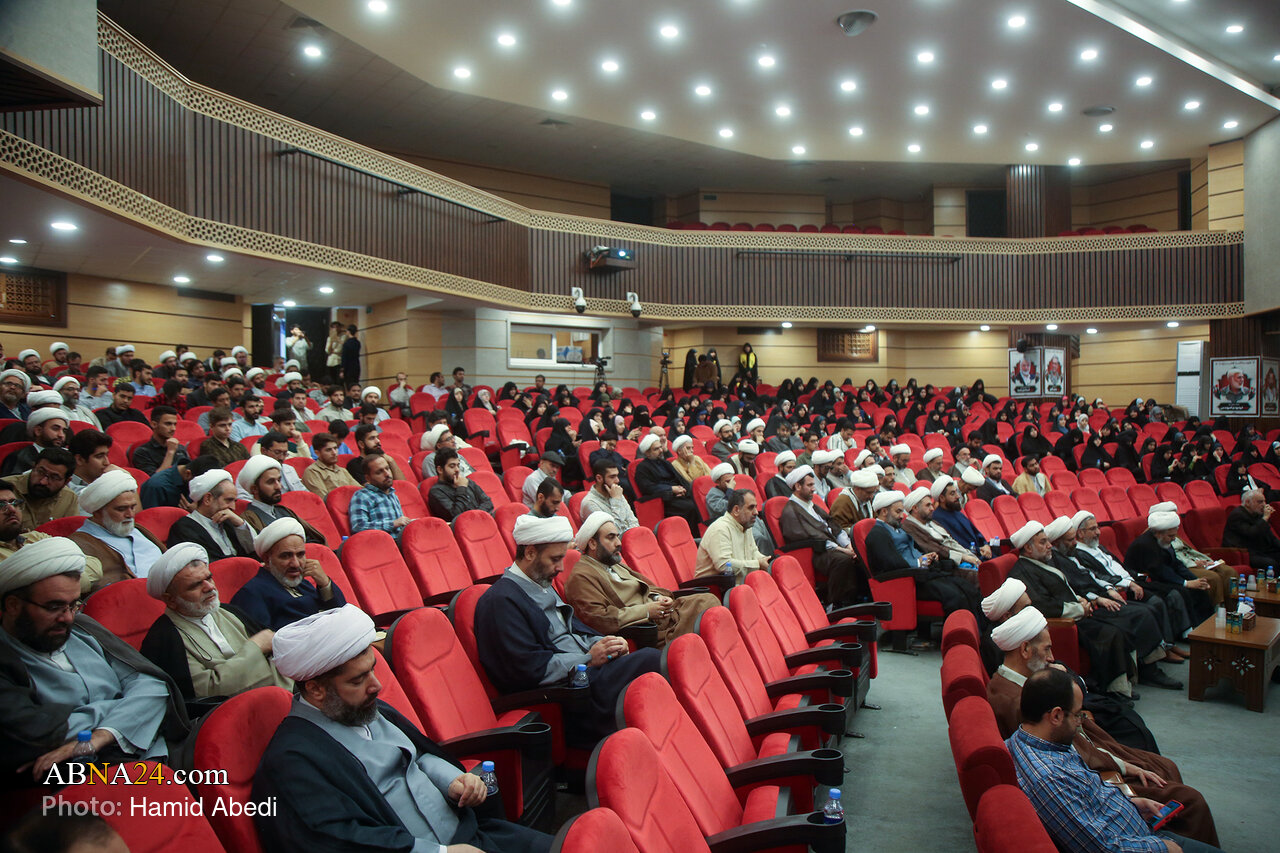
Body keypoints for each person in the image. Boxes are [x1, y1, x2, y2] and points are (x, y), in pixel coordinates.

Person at [253, 604, 553, 853]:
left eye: (372, 670)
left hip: (470, 833)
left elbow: (418, 755)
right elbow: (338, 839)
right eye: (357, 680)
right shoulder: (292, 761)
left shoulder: (365, 708)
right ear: (316, 689)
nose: (376, 686)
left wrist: (452, 780)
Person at [0, 537, 189, 784]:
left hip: (158, 747)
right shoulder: (6, 658)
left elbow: (153, 685)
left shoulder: (82, 628)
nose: (67, 618)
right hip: (94, 775)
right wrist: (127, 707)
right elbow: (37, 732)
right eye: (54, 607)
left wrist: (99, 736)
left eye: (73, 605)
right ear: (13, 605)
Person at [474, 515, 661, 748]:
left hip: (589, 676)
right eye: (555, 559)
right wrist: (589, 658)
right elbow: (528, 670)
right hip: (570, 696)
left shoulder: (541, 583)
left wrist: (607, 642)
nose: (561, 568)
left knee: (657, 664)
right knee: (653, 661)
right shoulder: (500, 602)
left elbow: (573, 631)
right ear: (530, 553)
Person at [1008, 667, 1224, 853]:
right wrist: (1164, 848)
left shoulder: (1025, 740)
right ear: (1056, 716)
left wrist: (1132, 804)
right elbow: (1101, 849)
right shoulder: (1049, 779)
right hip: (1140, 843)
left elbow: (1088, 795)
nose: (1080, 722)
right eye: (1077, 715)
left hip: (1131, 827)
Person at [139, 543, 291, 702]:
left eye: (208, 578)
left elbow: (277, 655)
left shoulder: (228, 611)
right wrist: (256, 648)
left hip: (281, 694)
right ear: (170, 600)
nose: (209, 587)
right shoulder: (165, 639)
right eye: (195, 585)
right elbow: (209, 691)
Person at [1045, 516, 1185, 689]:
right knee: (1142, 614)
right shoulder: (1056, 561)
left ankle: (1148, 665)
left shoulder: (1070, 554)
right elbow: (1075, 588)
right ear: (1057, 542)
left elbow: (1092, 575)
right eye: (1070, 540)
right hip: (1090, 605)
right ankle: (1149, 670)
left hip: (1102, 595)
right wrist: (1097, 598)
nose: (1075, 543)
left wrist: (1109, 588)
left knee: (1146, 610)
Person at [1007, 521, 1136, 698]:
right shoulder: (1022, 571)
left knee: (1120, 624)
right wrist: (1078, 609)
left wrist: (1081, 599)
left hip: (1078, 613)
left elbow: (1065, 588)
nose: (1049, 545)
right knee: (1111, 633)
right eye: (1043, 542)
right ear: (1028, 548)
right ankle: (1114, 689)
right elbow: (1043, 605)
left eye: (1048, 541)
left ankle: (1123, 683)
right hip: (1065, 622)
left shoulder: (1042, 562)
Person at [568, 512, 718, 647]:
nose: (618, 543)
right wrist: (646, 611)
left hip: (665, 614)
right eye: (611, 537)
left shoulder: (612, 563)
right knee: (709, 616)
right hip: (650, 630)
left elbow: (647, 587)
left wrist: (658, 597)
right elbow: (598, 618)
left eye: (617, 537)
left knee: (708, 601)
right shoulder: (581, 576)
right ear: (593, 543)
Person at [863, 491, 982, 617]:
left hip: (922, 575)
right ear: (884, 512)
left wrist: (928, 557)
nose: (902, 516)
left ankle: (978, 626)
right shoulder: (878, 534)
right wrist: (918, 562)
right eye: (898, 512)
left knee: (967, 588)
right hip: (907, 582)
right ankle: (959, 627)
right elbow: (891, 563)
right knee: (956, 595)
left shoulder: (897, 529)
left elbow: (915, 550)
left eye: (902, 512)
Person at [230, 517, 346, 631]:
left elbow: (342, 613)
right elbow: (264, 639)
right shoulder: (252, 594)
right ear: (267, 559)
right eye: (286, 556)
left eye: (300, 555)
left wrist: (325, 583)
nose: (296, 564)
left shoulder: (302, 583)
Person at [69, 470, 165, 590]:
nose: (130, 515)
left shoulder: (138, 530)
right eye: (121, 509)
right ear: (98, 511)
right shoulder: (80, 544)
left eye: (133, 507)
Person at [779, 465, 859, 605]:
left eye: (813, 485)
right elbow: (808, 538)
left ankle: (859, 599)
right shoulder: (790, 511)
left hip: (830, 547)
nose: (813, 489)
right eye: (809, 485)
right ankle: (836, 604)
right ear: (797, 486)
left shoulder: (811, 505)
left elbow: (833, 525)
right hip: (815, 552)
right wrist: (841, 549)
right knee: (843, 560)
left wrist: (848, 545)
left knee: (859, 555)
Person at [1124, 510, 1218, 627]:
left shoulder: (1163, 541)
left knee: (1199, 589)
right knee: (1182, 592)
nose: (1174, 539)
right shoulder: (1145, 544)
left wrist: (1195, 580)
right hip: (1144, 582)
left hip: (1160, 578)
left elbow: (1176, 563)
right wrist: (1186, 583)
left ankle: (1207, 626)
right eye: (1171, 536)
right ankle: (1191, 629)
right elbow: (1160, 570)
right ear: (1158, 533)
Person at [1144, 502, 1239, 606]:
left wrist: (1205, 561)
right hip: (1183, 566)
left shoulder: (1173, 532)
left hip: (1192, 561)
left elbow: (1188, 550)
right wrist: (1193, 563)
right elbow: (1170, 559)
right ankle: (1216, 610)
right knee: (1212, 578)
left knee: (1229, 572)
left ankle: (1232, 608)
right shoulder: (1153, 536)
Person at [166, 468, 255, 558]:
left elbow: (255, 552)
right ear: (208, 499)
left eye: (234, 501)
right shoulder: (184, 529)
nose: (233, 507)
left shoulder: (229, 522)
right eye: (228, 500)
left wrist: (240, 524)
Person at [900, 486, 982, 582]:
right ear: (915, 508)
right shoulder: (909, 527)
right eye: (928, 505)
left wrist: (968, 554)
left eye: (931, 505)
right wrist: (963, 557)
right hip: (946, 566)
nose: (932, 508)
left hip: (961, 557)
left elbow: (951, 541)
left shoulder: (931, 522)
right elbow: (933, 548)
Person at [236, 456, 326, 543]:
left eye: (279, 480)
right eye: (271, 482)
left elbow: (310, 538)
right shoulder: (250, 519)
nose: (279, 486)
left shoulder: (284, 511)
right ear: (254, 489)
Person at [695, 488, 771, 581]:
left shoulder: (745, 525)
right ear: (736, 510)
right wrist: (757, 564)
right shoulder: (720, 529)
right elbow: (724, 565)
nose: (756, 512)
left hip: (739, 584)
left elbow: (753, 552)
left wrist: (766, 560)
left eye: (756, 507)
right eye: (751, 507)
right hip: (715, 587)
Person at [633, 434, 702, 532]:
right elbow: (648, 488)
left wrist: (683, 489)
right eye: (656, 449)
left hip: (678, 495)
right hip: (663, 500)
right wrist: (671, 490)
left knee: (699, 503)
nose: (661, 450)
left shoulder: (665, 463)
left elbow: (680, 479)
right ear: (647, 453)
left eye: (660, 447)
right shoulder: (642, 468)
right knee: (691, 508)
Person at [7, 448, 80, 530]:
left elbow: (71, 533)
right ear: (33, 467)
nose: (43, 482)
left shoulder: (69, 498)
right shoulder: (6, 488)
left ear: (66, 481)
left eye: (54, 477)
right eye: (40, 472)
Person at [347, 454, 409, 538]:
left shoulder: (392, 494)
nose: (387, 474)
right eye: (379, 472)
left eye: (387, 468)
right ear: (368, 478)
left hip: (402, 540)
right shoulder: (362, 496)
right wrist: (392, 524)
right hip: (381, 542)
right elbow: (358, 526)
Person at [427, 448, 494, 521]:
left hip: (483, 520)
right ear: (440, 470)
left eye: (458, 465)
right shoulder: (436, 492)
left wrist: (477, 516)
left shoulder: (467, 481)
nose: (457, 470)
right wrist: (461, 488)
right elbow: (456, 515)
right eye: (452, 466)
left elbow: (488, 502)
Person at [1221, 487, 1280, 570]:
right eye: (1260, 502)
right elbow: (1252, 533)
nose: (1264, 505)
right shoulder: (1237, 515)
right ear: (1248, 503)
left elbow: (1270, 536)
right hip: (1244, 552)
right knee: (1271, 563)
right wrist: (1265, 518)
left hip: (1260, 549)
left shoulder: (1257, 513)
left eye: (1264, 501)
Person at [2, 408, 69, 477]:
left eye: (64, 431)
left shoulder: (68, 456)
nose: (61, 435)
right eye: (55, 429)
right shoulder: (19, 457)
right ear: (38, 431)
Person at [580, 460, 638, 534]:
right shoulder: (590, 503)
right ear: (599, 478)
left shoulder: (616, 493)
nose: (617, 480)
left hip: (630, 538)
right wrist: (616, 501)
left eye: (617, 476)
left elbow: (634, 522)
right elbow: (613, 533)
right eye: (612, 477)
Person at [130, 406, 189, 476]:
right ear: (154, 424)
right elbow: (154, 480)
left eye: (175, 424)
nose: (173, 428)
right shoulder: (142, 452)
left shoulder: (180, 448)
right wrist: (170, 452)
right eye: (168, 424)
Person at [302, 431, 360, 498]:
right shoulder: (312, 471)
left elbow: (359, 490)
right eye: (328, 450)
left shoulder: (343, 471)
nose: (334, 453)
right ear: (317, 453)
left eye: (335, 448)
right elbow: (323, 499)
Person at [827, 466, 882, 533]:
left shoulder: (868, 499)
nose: (871, 496)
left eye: (873, 492)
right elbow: (839, 529)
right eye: (868, 492)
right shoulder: (842, 503)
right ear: (857, 489)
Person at [67, 429, 113, 495]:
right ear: (79, 459)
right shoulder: (65, 487)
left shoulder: (105, 482)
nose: (107, 463)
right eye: (99, 456)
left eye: (107, 455)